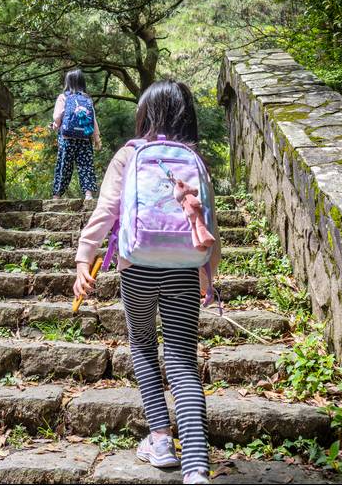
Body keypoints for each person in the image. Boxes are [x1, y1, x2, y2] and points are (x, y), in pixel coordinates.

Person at [72, 79, 220, 485]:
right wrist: (210, 274)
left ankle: (159, 439)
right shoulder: (194, 158)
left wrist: (85, 258)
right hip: (185, 267)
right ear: (186, 115)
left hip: (136, 267)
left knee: (141, 343)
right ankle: (195, 468)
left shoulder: (130, 154)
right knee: (182, 360)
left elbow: (105, 211)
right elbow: (207, 222)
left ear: (145, 113)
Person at [51, 69, 102, 199]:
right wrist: (97, 138)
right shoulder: (87, 99)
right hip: (85, 138)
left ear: (67, 82)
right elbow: (93, 120)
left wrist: (55, 125)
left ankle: (56, 196)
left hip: (67, 138)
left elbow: (57, 116)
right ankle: (88, 194)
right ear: (82, 82)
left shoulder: (63, 97)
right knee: (86, 166)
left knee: (64, 166)